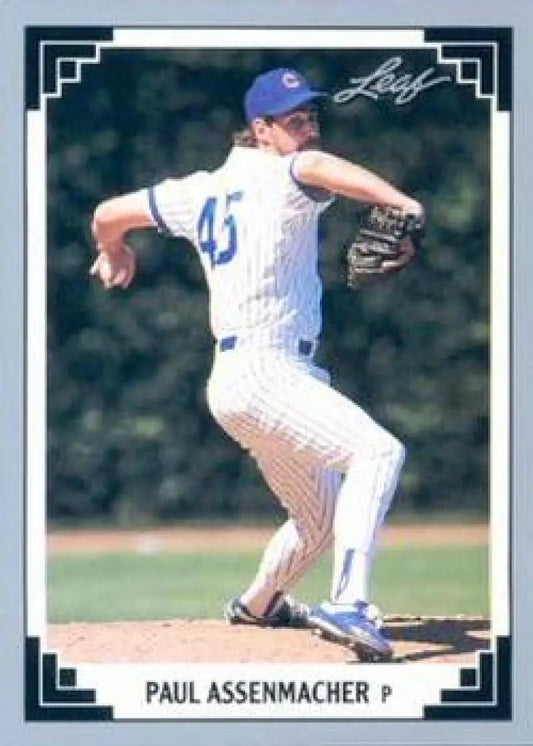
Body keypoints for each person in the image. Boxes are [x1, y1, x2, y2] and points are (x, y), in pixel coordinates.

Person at [90, 67, 423, 661]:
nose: (309, 129)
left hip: (240, 383)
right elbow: (315, 169)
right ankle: (350, 603)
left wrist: (112, 248)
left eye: (312, 116)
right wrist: (401, 201)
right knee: (379, 452)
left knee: (316, 523)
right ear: (260, 129)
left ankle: (258, 605)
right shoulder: (286, 171)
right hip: (269, 373)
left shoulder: (196, 191)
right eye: (295, 120)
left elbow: (109, 211)